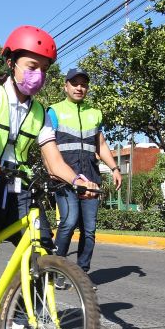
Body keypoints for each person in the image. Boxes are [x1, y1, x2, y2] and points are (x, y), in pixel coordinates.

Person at [0, 25, 98, 271]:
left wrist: (78, 181)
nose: (39, 74)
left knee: (44, 246)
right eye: (32, 67)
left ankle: (26, 309)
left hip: (18, 186)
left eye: (44, 69)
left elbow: (54, 161)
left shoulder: (40, 113)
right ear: (11, 63)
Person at [49, 68, 122, 275]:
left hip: (90, 179)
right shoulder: (54, 111)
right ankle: (57, 270)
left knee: (89, 230)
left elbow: (100, 143)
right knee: (69, 223)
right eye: (75, 83)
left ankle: (81, 274)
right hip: (64, 179)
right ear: (66, 86)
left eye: (83, 84)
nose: (79, 88)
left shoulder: (94, 113)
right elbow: (47, 145)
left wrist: (115, 168)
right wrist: (51, 169)